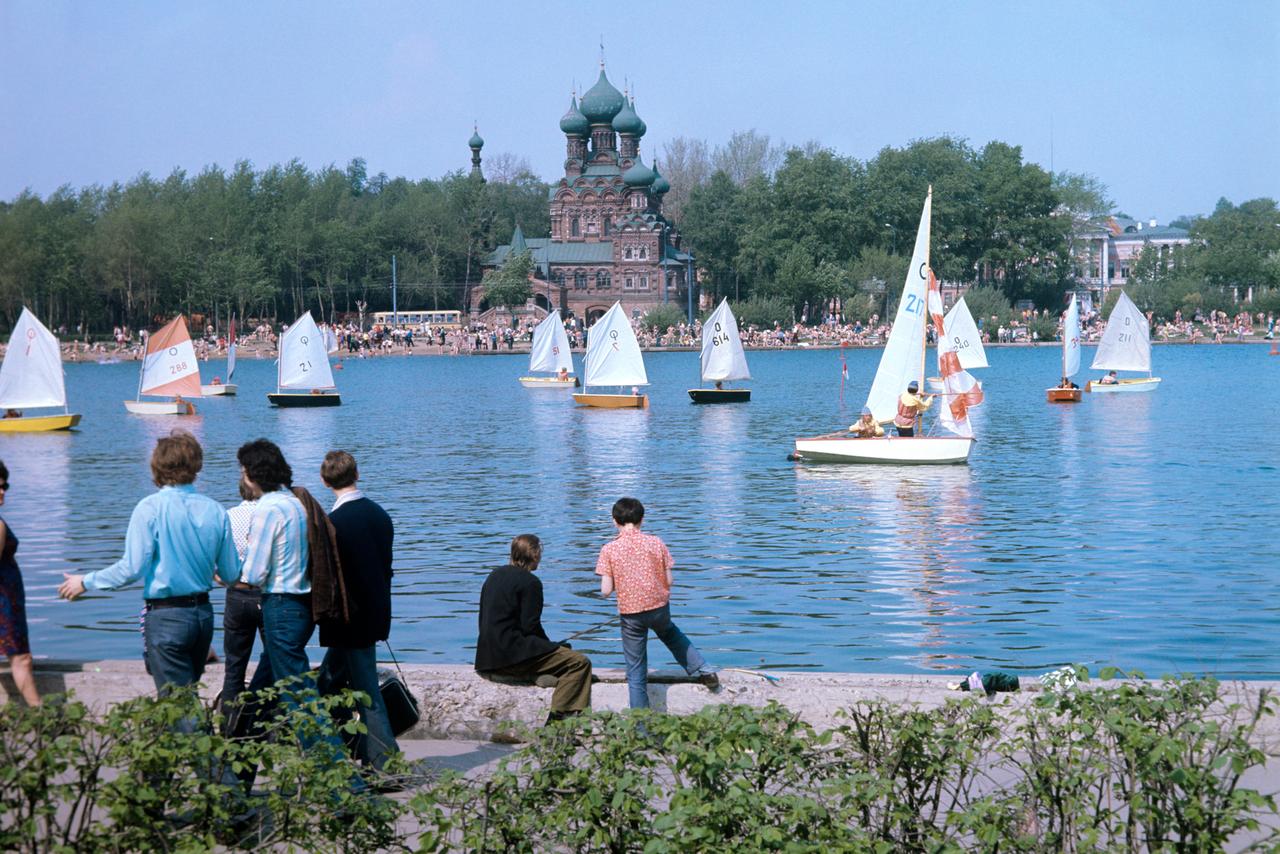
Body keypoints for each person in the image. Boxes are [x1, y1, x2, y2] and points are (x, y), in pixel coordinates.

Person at [58, 431, 239, 702]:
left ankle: (199, 743)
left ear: (157, 466)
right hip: (203, 615)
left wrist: (86, 581)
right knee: (186, 697)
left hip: (167, 617)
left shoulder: (149, 509)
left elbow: (131, 568)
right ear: (196, 466)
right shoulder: (216, 510)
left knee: (178, 706)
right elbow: (231, 574)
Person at [315, 450, 399, 770]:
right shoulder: (380, 515)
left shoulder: (333, 523)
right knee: (327, 683)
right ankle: (350, 748)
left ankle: (384, 763)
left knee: (365, 692)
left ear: (324, 481)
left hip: (347, 620)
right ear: (357, 474)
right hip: (374, 614)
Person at [595, 497, 716, 710]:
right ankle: (704, 669)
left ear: (614, 521)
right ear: (642, 519)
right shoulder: (656, 542)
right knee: (670, 634)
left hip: (631, 613)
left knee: (636, 671)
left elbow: (605, 591)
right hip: (659, 607)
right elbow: (669, 580)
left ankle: (641, 729)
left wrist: (620, 583)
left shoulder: (609, 549)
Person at [476, 534, 592, 722]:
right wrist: (550, 647)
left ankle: (540, 675)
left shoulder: (494, 575)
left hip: (487, 656)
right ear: (536, 554)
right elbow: (530, 627)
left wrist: (550, 648)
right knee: (579, 663)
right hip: (511, 656)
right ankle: (557, 725)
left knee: (557, 653)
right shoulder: (531, 583)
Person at [220, 479, 263, 710]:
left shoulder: (227, 516)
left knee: (234, 667)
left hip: (236, 593)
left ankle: (230, 728)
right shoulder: (270, 516)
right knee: (275, 661)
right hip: (266, 595)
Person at [0, 461, 40, 706]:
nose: (2, 491)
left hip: (8, 600)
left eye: (5, 486)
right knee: (21, 658)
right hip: (3, 602)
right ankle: (43, 723)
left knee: (21, 658)